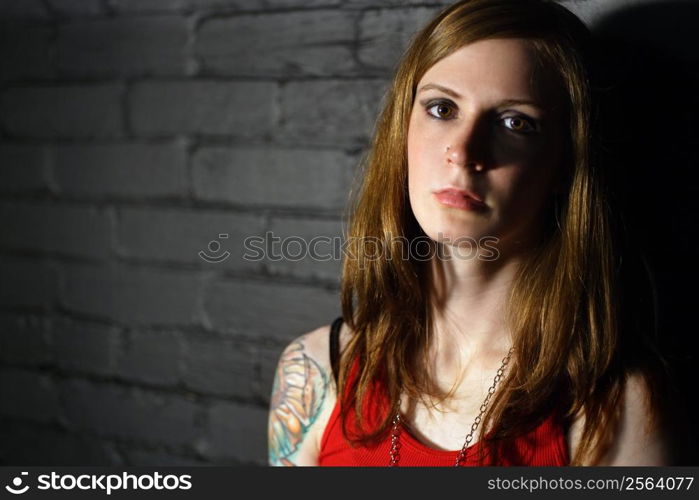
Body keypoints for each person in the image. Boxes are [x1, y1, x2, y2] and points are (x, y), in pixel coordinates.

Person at [267, 0, 675, 466]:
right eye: (442, 108)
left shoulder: (614, 407)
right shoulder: (318, 372)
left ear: (565, 162)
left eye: (514, 123)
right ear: (404, 129)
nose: (463, 152)